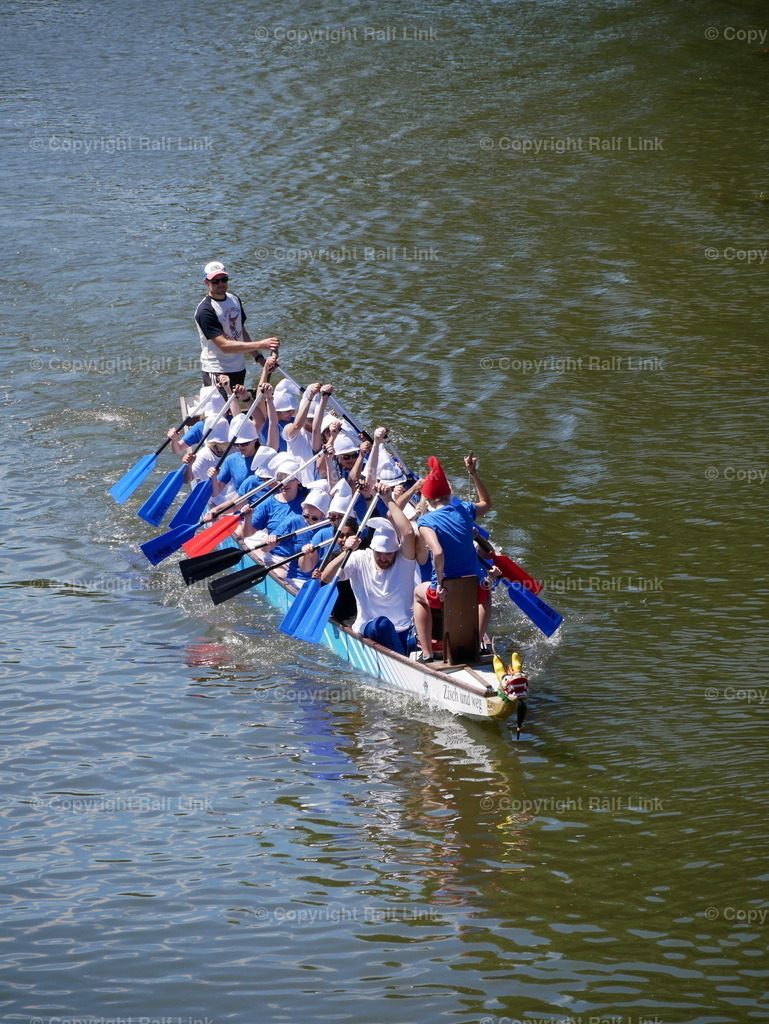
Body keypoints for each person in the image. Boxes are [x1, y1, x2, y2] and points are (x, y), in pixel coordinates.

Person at [413, 453, 493, 662]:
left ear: (428, 500)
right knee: (487, 596)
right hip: (473, 588)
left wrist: (439, 584)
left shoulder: (426, 521)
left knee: (417, 594)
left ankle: (427, 654)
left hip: (445, 592)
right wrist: (473, 473)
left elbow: (438, 553)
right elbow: (486, 502)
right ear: (449, 495)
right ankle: (477, 646)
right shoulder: (465, 509)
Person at [321, 485, 418, 656]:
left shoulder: (404, 560)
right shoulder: (359, 558)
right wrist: (345, 552)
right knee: (382, 624)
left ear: (396, 551)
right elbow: (326, 578)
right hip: (370, 627)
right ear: (372, 549)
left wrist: (388, 499)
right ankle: (404, 661)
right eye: (379, 554)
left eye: (389, 554)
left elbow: (408, 532)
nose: (384, 559)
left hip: (404, 630)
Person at [195, 260, 280, 387]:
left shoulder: (234, 299)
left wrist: (260, 359)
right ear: (206, 282)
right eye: (215, 281)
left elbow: (241, 332)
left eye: (224, 279)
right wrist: (262, 344)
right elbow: (224, 345)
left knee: (238, 403)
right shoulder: (205, 310)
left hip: (239, 368)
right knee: (224, 407)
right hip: (217, 371)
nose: (221, 284)